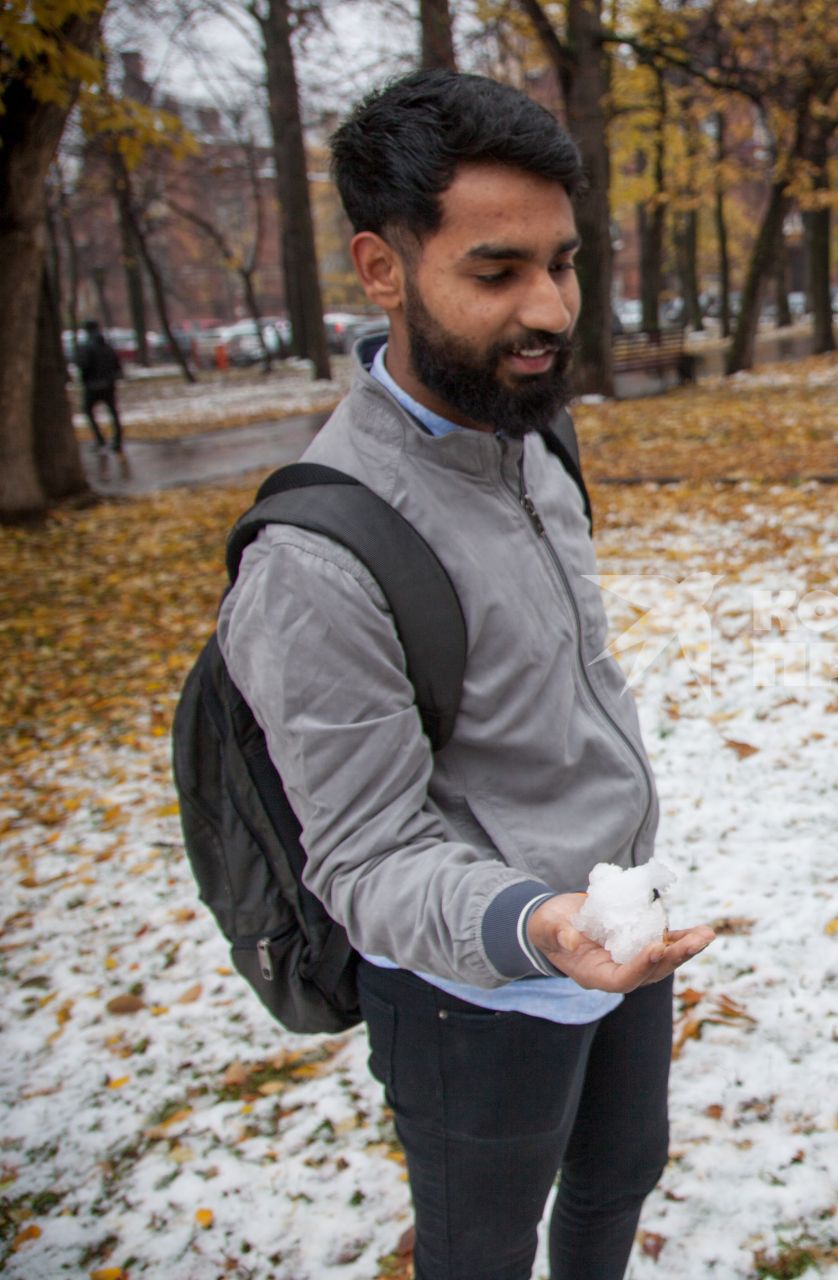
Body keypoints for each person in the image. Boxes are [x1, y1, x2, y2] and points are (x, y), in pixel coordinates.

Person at [217, 70, 713, 1280]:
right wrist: (538, 926)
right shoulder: (314, 560)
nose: (550, 307)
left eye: (563, 260)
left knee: (613, 1187)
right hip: (472, 992)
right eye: (498, 271)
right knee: (481, 1249)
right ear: (382, 269)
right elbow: (364, 857)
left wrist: (603, 899)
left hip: (621, 919)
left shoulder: (529, 434)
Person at [75, 319, 125, 451]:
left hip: (93, 386)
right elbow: (117, 365)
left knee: (88, 410)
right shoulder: (107, 346)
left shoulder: (87, 347)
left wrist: (85, 379)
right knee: (113, 412)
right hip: (108, 385)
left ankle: (100, 439)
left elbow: (83, 365)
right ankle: (117, 440)